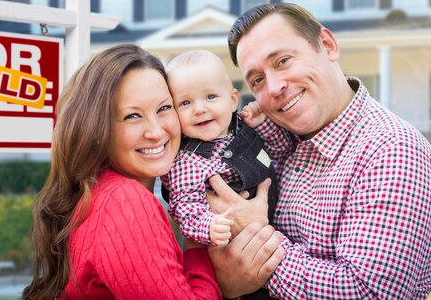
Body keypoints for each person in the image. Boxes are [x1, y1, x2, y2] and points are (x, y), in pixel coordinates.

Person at [206, 2, 431, 299]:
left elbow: (367, 293)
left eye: (283, 61)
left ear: (327, 45)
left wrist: (255, 239)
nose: (273, 88)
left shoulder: (393, 152)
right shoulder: (279, 141)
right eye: (257, 80)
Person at [23, 44, 277, 299]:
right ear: (97, 128)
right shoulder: (125, 202)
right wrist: (205, 257)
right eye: (132, 116)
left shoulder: (100, 190)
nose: (156, 132)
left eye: (164, 108)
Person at [161, 50, 278, 248]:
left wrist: (262, 124)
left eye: (211, 96)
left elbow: (277, 152)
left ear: (232, 101)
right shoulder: (186, 161)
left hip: (278, 225)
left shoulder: (243, 127)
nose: (199, 109)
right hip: (234, 243)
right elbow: (185, 208)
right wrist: (209, 226)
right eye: (185, 103)